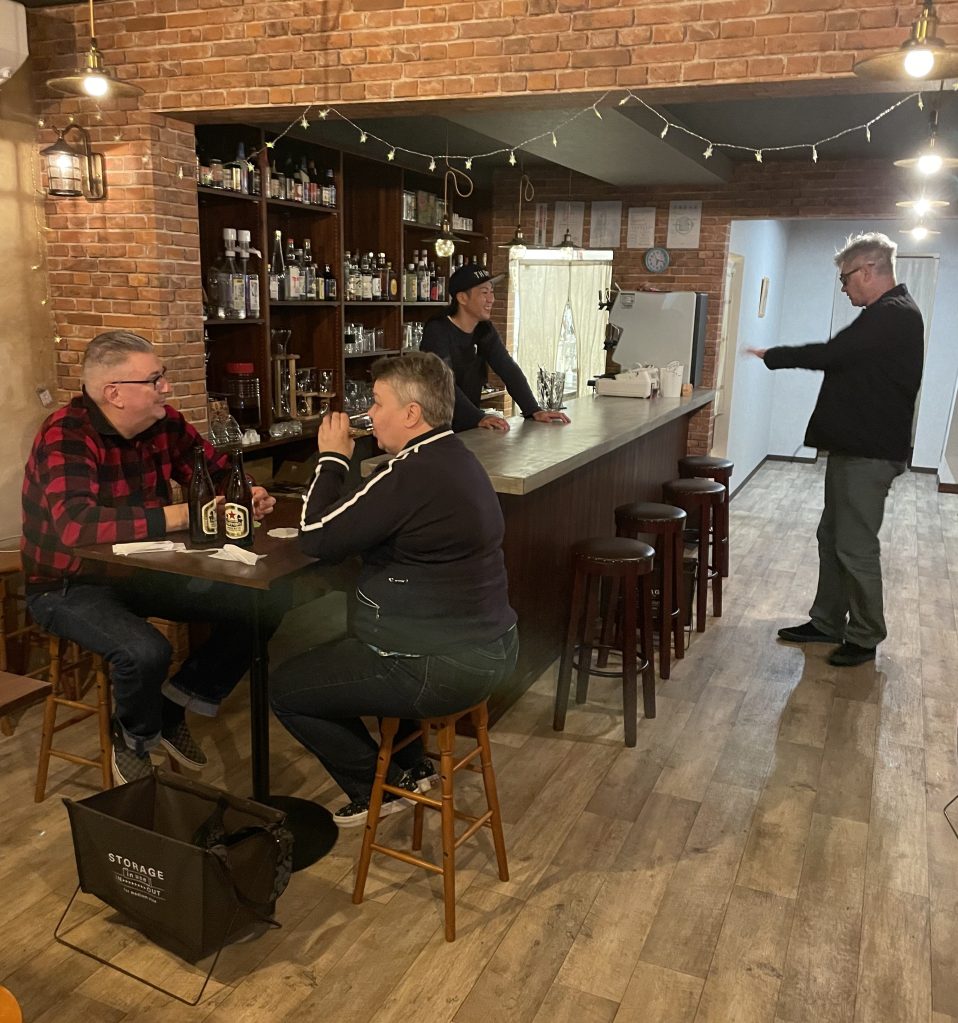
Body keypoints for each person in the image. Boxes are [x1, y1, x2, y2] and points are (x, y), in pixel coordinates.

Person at [269, 351, 519, 827]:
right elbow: (360, 522)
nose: (368, 414)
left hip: (441, 668)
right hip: (492, 649)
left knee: (286, 687)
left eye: (377, 403)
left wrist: (330, 459)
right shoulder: (455, 458)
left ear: (411, 413)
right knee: (362, 646)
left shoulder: (407, 473)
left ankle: (378, 791)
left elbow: (316, 535)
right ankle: (412, 765)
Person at [21, 331, 281, 783]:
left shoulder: (164, 424)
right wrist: (182, 514)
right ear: (113, 393)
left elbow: (218, 472)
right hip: (67, 583)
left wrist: (246, 493)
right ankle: (136, 737)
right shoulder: (66, 434)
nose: (166, 388)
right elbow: (77, 527)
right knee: (145, 652)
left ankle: (173, 706)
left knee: (261, 604)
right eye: (155, 380)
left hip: (142, 570)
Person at [747, 232, 923, 667]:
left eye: (845, 278)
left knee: (855, 546)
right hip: (854, 448)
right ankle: (827, 621)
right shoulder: (884, 313)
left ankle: (864, 636)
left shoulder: (894, 315)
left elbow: (833, 353)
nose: (843, 287)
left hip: (870, 453)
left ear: (868, 270)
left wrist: (774, 354)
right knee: (832, 538)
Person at [420, 264, 571, 432]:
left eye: (491, 292)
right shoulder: (438, 330)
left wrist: (533, 410)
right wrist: (478, 417)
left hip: (466, 427)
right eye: (484, 292)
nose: (491, 299)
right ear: (462, 298)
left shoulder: (484, 329)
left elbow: (507, 367)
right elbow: (443, 384)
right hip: (435, 427)